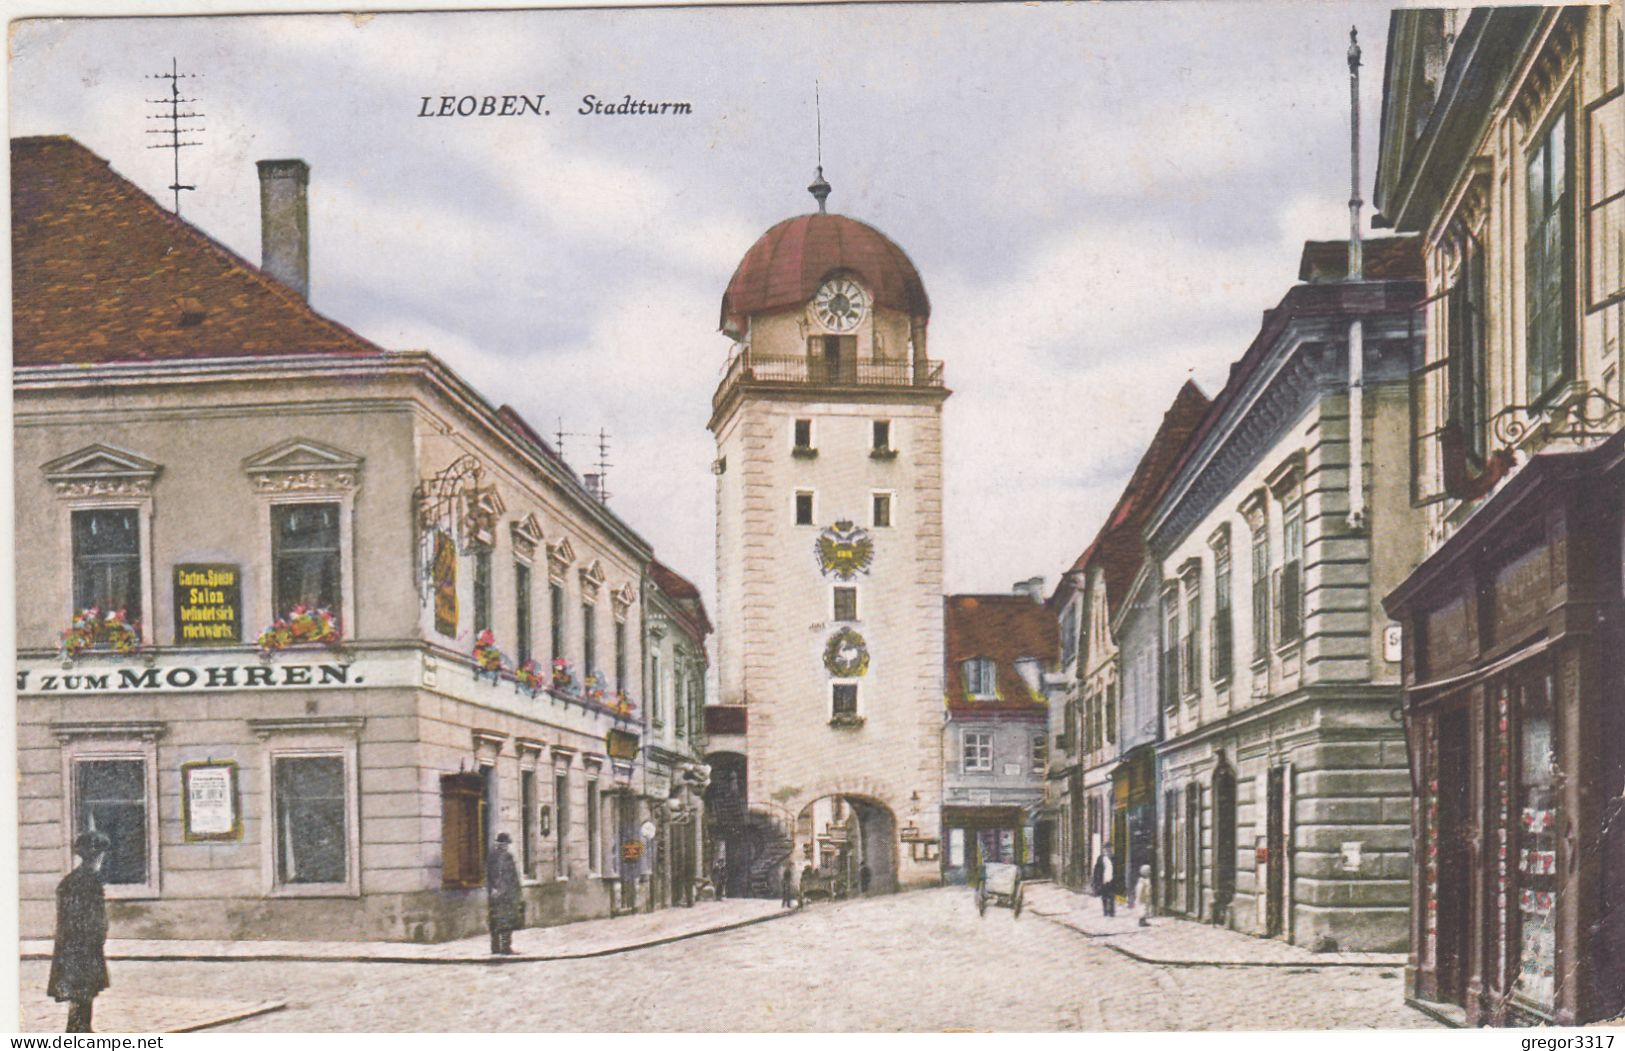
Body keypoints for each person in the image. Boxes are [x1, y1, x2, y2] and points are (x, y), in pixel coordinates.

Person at [48, 831, 110, 1033]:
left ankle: (81, 1028)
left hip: (75, 945)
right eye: (102, 854)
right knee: (82, 989)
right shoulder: (87, 881)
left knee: (83, 990)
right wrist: (96, 935)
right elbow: (84, 918)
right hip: (82, 946)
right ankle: (77, 1030)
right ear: (97, 856)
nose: (103, 858)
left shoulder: (71, 881)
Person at [486, 832, 522, 955]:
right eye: (504, 844)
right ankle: (501, 947)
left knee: (501, 920)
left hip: (505, 893)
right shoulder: (499, 857)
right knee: (502, 920)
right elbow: (493, 875)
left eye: (506, 844)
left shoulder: (503, 856)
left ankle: (499, 947)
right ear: (500, 844)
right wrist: (494, 888)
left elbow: (512, 876)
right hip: (502, 894)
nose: (505, 846)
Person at [1091, 846, 1117, 917]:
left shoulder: (1114, 858)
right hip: (1103, 880)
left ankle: (1111, 912)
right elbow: (1097, 870)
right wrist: (1096, 880)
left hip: (1111, 880)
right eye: (1107, 849)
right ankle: (1105, 910)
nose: (1108, 851)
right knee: (1104, 897)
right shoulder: (1101, 859)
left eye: (1110, 849)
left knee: (1111, 896)